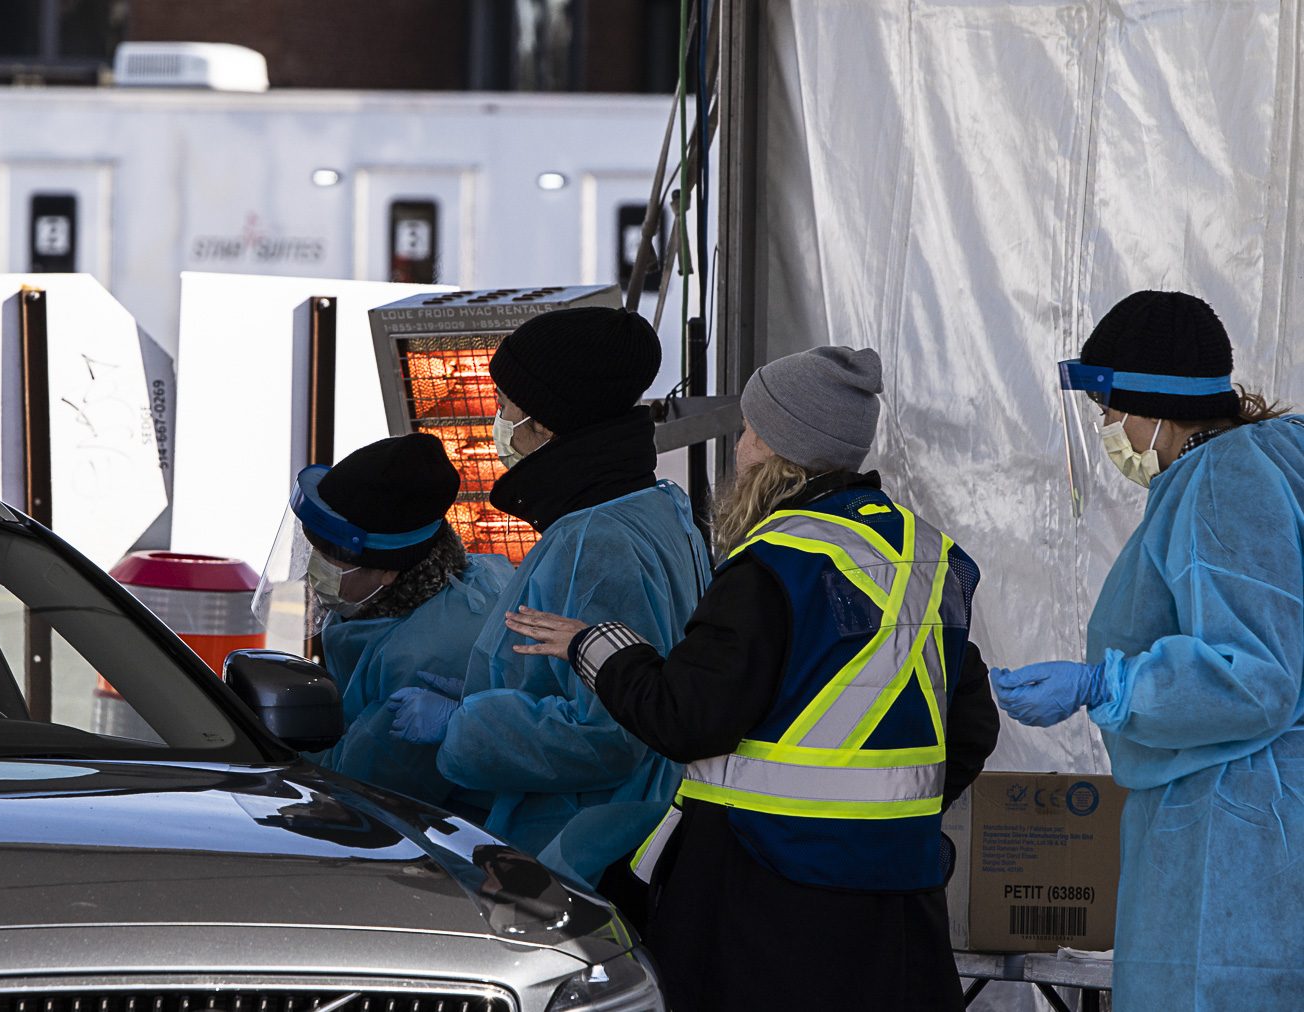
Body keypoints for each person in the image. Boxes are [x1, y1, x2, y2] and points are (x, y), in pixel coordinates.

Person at [507, 346, 1000, 1011]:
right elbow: (969, 728)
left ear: (770, 444)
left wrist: (596, 647)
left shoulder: (775, 562)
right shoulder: (926, 557)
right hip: (898, 902)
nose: (739, 447)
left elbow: (687, 717)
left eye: (746, 430)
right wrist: (880, 819)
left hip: (763, 900)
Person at [992, 290, 1304, 1009]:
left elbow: (1256, 677)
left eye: (1109, 412)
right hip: (1241, 827)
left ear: (1150, 407)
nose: (1106, 428)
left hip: (1233, 837)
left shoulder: (1224, 482)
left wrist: (1110, 686)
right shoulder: (1257, 465)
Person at [384, 306, 711, 906]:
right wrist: (475, 694)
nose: (498, 421)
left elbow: (608, 734)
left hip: (580, 847)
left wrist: (462, 725)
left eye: (507, 403)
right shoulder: (655, 505)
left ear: (551, 421)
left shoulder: (595, 538)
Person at [265, 433, 512, 811]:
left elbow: (362, 794)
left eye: (333, 557)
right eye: (314, 548)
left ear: (388, 571)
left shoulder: (427, 655)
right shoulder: (393, 600)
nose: (316, 567)